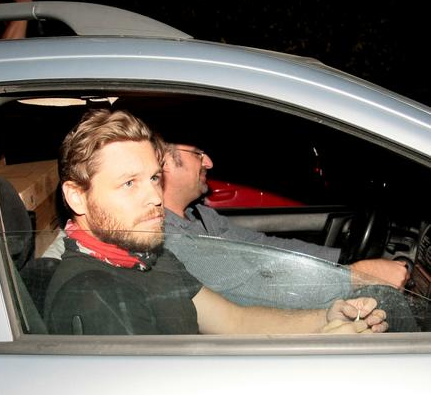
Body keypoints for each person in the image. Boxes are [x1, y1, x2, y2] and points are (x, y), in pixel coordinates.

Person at [43, 109, 388, 335]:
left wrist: (326, 317)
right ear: (76, 196)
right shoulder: (94, 294)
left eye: (152, 179)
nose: (155, 197)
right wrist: (320, 350)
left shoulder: (147, 256)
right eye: (129, 183)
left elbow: (235, 321)